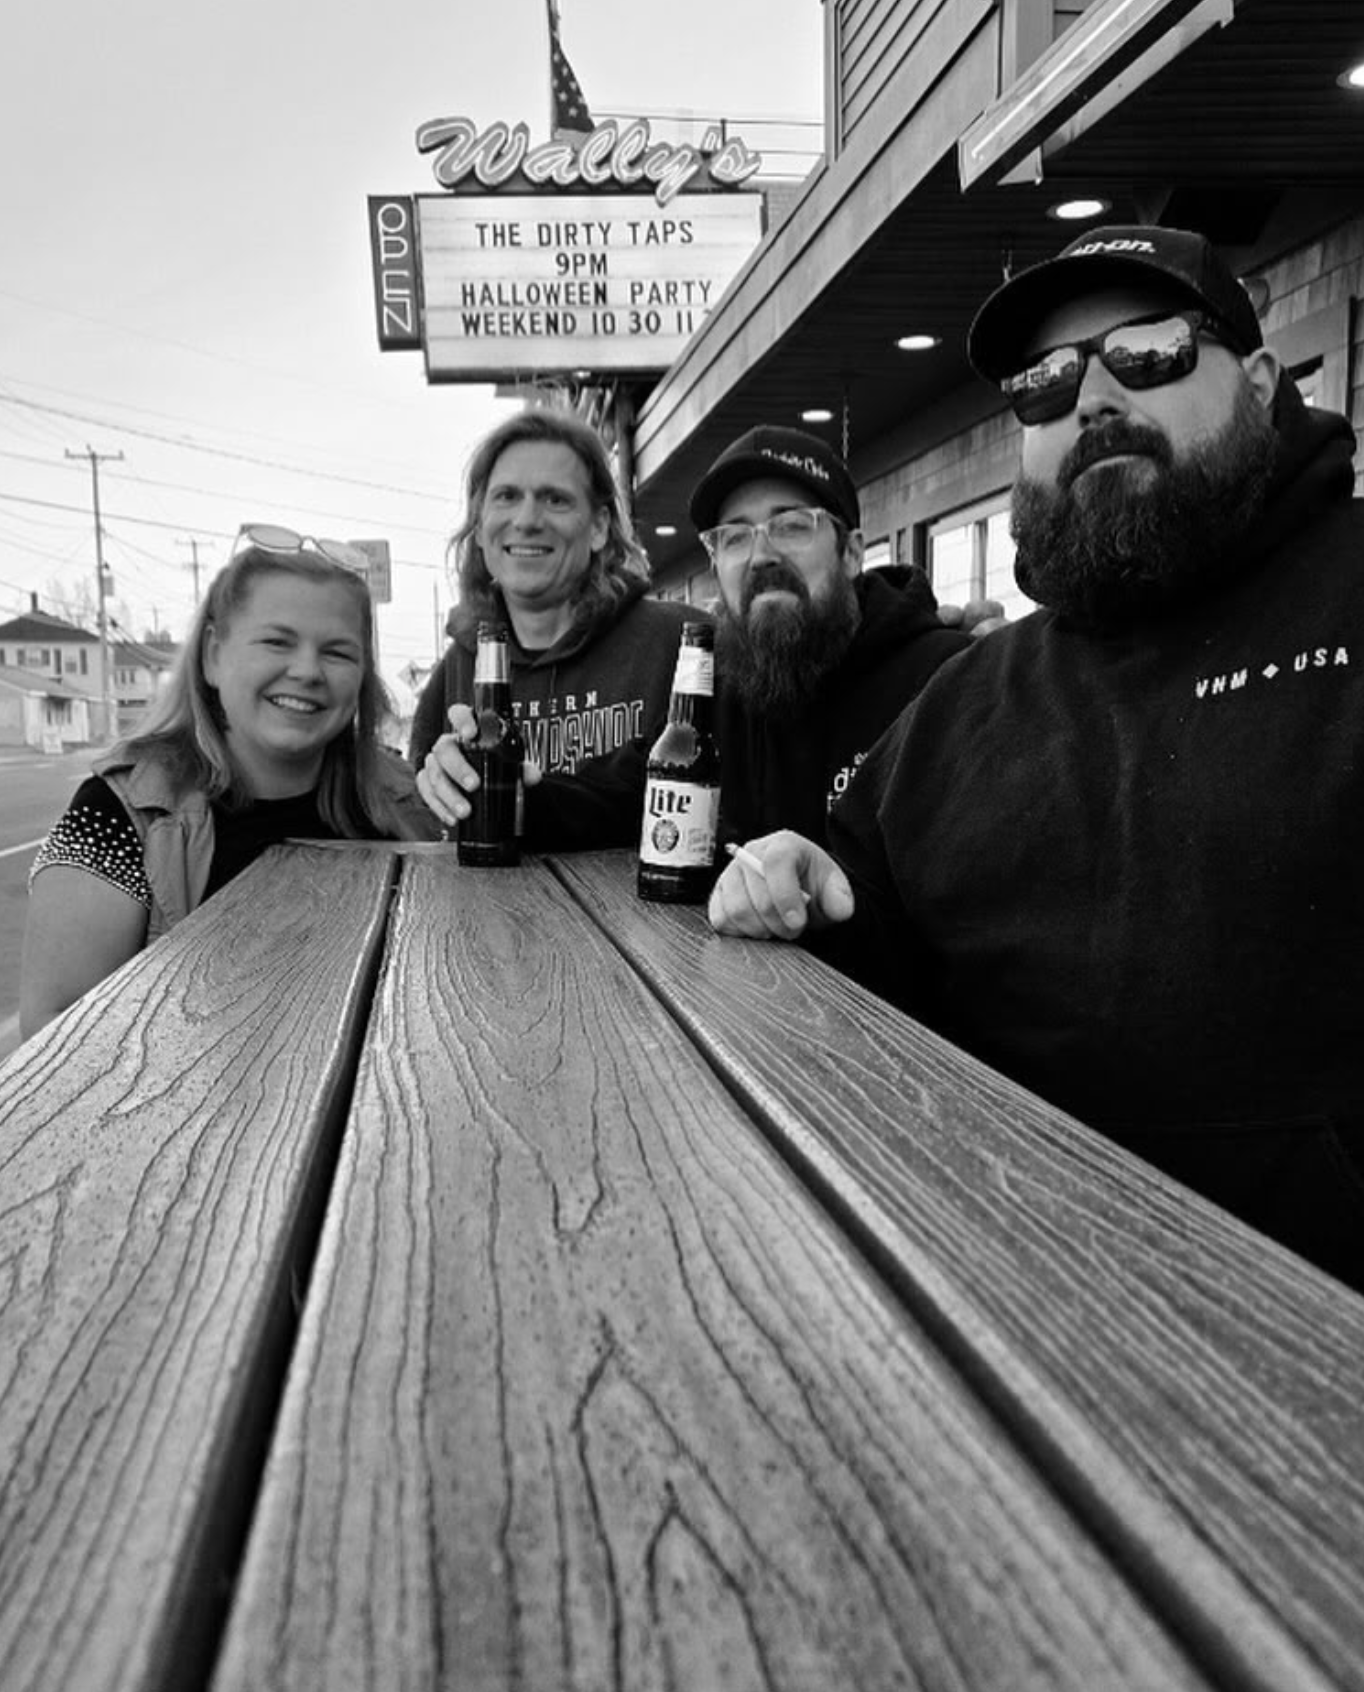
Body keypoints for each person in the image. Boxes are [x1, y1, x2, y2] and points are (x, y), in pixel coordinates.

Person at [708, 224, 1364, 1293]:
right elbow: (867, 945)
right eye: (1046, 383)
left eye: (1146, 350)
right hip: (996, 1306)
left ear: (1255, 379)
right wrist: (800, 886)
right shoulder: (967, 700)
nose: (1092, 398)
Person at [418, 424, 988, 850]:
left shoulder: (948, 681)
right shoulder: (725, 687)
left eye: (792, 526)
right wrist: (503, 792)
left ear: (854, 552)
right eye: (735, 538)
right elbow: (617, 794)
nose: (762, 554)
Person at [21, 529, 434, 1038]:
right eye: (276, 642)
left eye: (338, 653)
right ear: (214, 655)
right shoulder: (121, 810)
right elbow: (55, 1030)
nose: (307, 671)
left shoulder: (409, 803)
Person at [408, 408, 696, 777]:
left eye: (555, 499)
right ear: (479, 528)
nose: (527, 521)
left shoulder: (678, 647)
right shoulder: (456, 672)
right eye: (507, 496)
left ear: (598, 527)